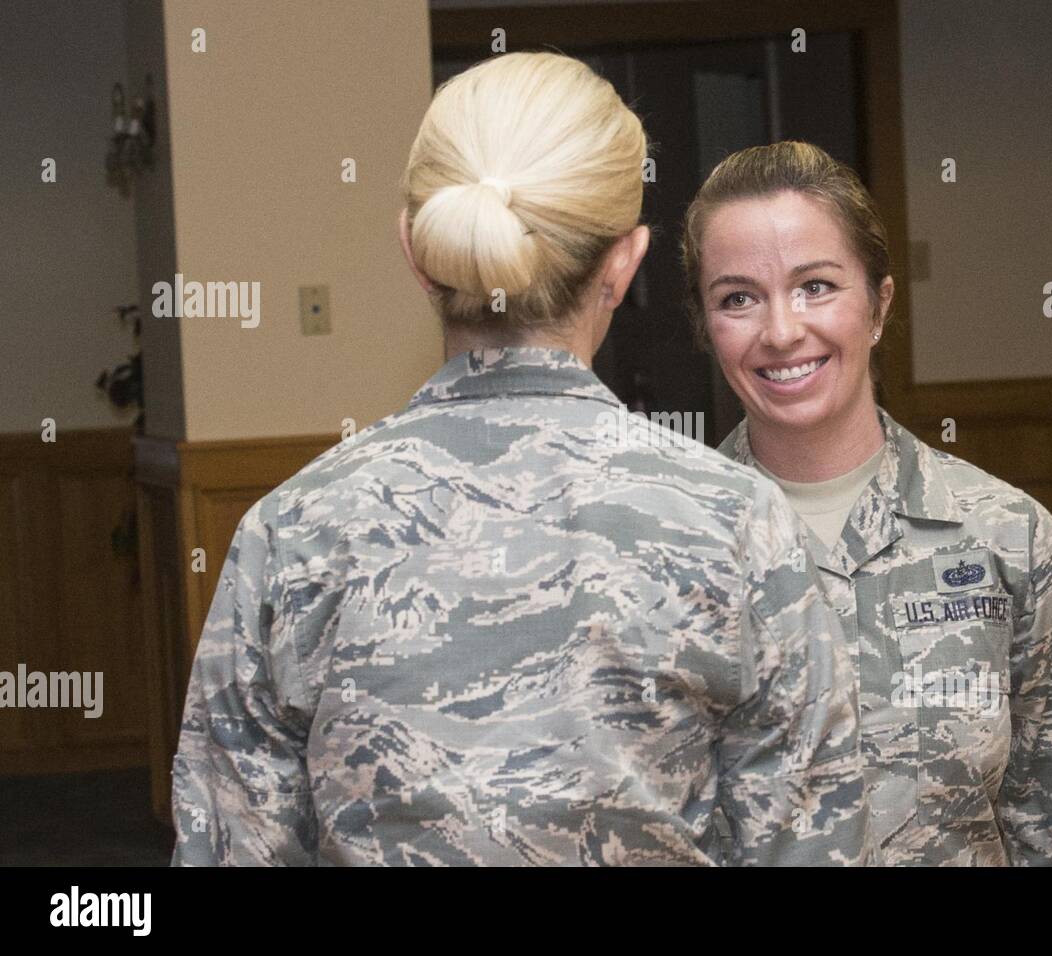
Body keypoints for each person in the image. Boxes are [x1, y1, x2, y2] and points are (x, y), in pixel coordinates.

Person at [170, 54, 870, 866]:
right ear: (624, 263)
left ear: (414, 249)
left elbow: (230, 851)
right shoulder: (740, 524)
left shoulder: (290, 531)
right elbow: (813, 846)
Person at [682, 141, 1052, 865]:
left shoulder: (1009, 541)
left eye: (816, 286)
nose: (783, 330)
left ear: (879, 305)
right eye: (738, 298)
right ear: (707, 329)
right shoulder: (666, 549)